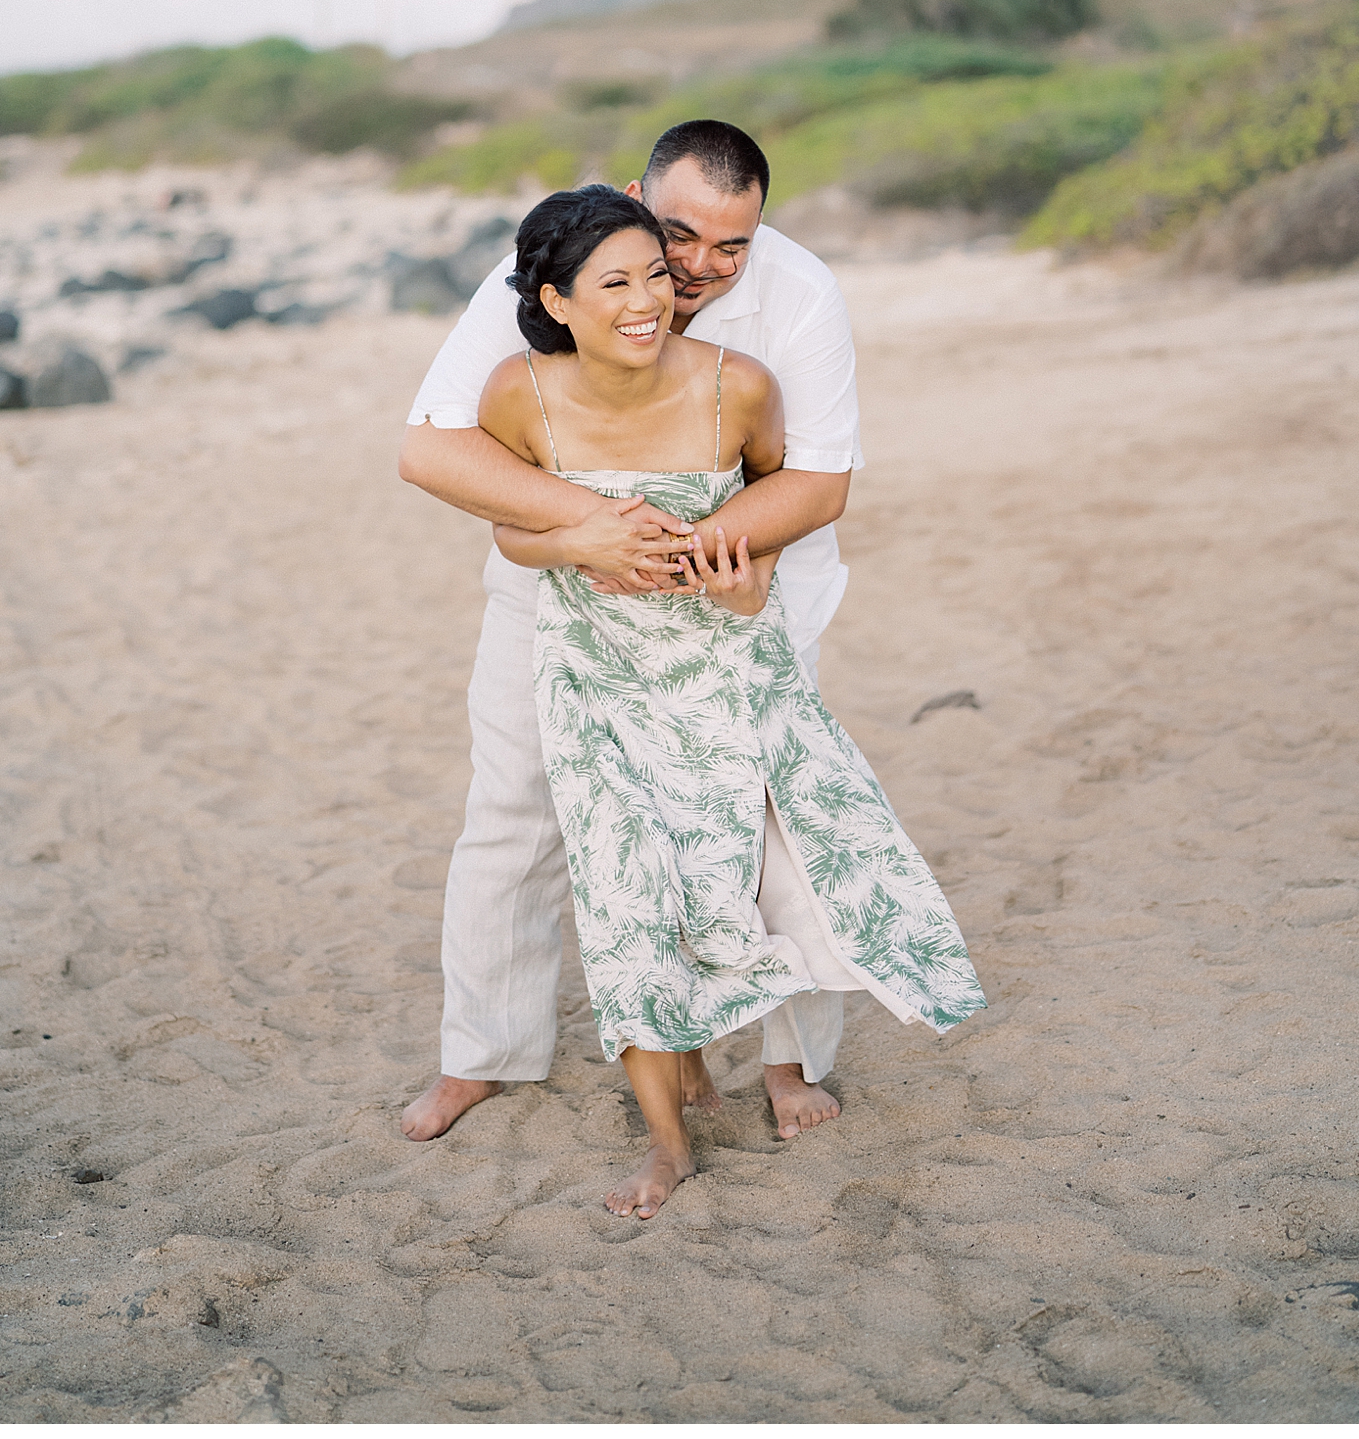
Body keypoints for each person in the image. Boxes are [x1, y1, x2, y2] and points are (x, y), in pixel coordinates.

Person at [476, 184, 985, 1217]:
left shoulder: (737, 387)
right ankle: (666, 1145)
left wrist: (745, 572)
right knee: (625, 902)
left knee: (752, 877)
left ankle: (770, 1066)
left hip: (724, 671)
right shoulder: (514, 396)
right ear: (554, 299)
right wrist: (571, 538)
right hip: (594, 682)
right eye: (616, 282)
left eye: (656, 277)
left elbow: (775, 507)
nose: (650, 299)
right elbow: (508, 530)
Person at [400, 121, 865, 1144]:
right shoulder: (560, 269)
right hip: (558, 585)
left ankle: (790, 1061)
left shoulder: (801, 295)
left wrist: (680, 553)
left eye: (730, 247)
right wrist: (586, 531)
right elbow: (435, 448)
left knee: (766, 819)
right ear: (632, 196)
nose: (695, 270)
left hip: (745, 587)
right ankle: (482, 1053)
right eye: (679, 235)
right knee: (514, 813)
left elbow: (818, 477)